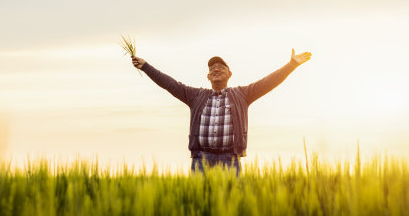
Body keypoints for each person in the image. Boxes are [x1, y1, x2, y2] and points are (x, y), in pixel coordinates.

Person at [131, 49, 311, 176]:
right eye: (211, 68)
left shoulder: (242, 94)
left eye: (221, 67)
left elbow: (268, 82)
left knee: (229, 203)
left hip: (229, 159)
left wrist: (291, 65)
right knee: (199, 205)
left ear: (230, 74)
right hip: (201, 159)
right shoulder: (196, 96)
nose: (215, 69)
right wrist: (146, 66)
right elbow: (169, 83)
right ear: (208, 77)